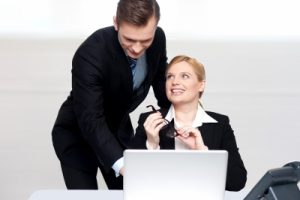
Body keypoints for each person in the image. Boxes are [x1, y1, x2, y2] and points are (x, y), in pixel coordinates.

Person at [52, 0, 170, 190]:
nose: (137, 48)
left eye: (145, 41)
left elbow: (161, 83)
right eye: (129, 40)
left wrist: (181, 118)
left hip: (117, 129)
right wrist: (124, 167)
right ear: (116, 23)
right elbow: (91, 120)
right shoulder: (90, 54)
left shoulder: (158, 38)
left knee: (135, 191)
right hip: (78, 134)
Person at [131, 55, 247, 191]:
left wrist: (202, 152)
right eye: (170, 76)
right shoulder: (148, 121)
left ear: (201, 85)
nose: (174, 82)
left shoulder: (220, 124)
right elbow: (133, 180)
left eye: (184, 76)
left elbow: (237, 182)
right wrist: (152, 144)